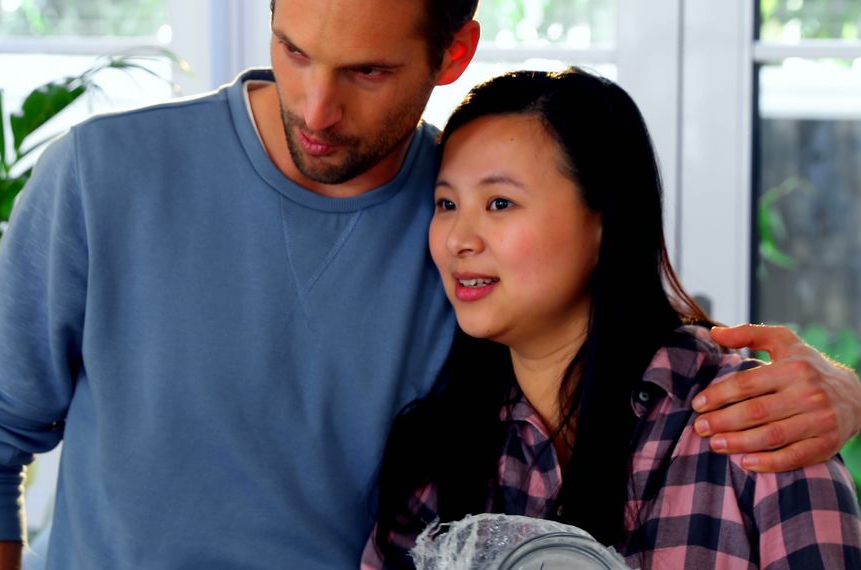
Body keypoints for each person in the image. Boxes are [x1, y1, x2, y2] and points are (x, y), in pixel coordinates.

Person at [0, 1, 861, 567]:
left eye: (366, 70)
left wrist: (845, 393)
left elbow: (618, 330)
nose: (316, 110)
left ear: (452, 54)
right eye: (293, 49)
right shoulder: (102, 177)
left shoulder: (472, 253)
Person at [365, 68, 861, 569]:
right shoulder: (435, 454)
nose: (457, 239)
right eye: (446, 203)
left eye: (499, 203)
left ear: (604, 220)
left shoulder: (761, 420)